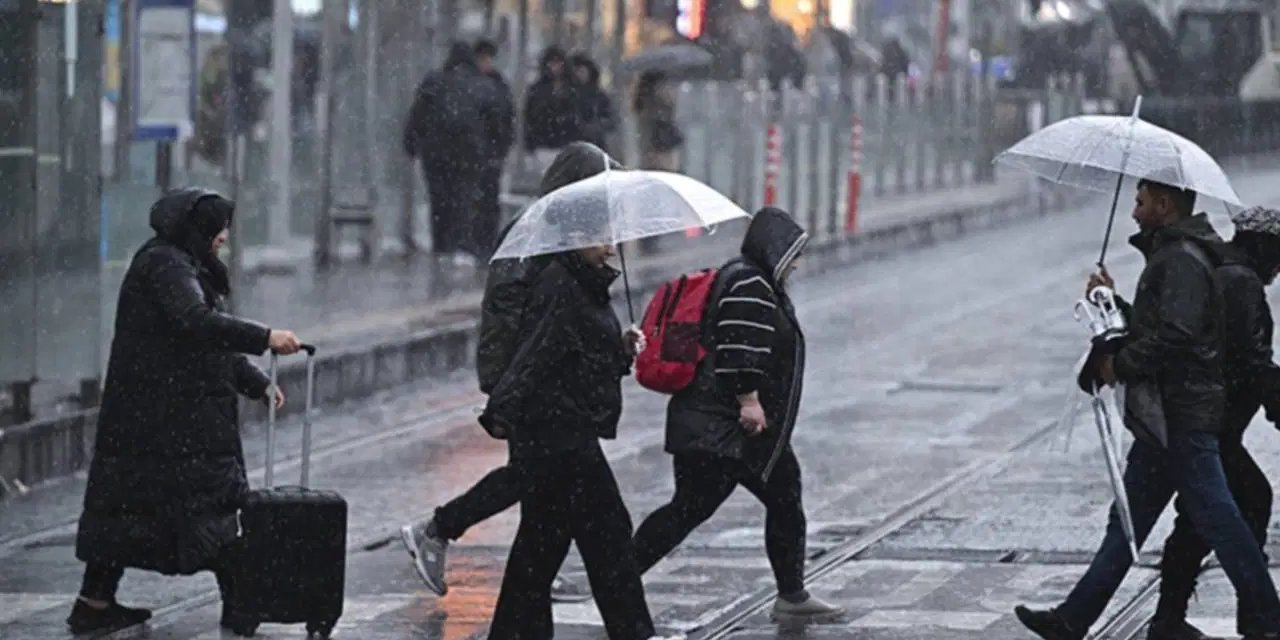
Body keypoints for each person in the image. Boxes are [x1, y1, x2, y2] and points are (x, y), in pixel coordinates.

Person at [1015, 180, 1280, 640]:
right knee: (1132, 523)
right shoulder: (1180, 255)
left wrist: (1120, 362)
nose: (1134, 213)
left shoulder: (1180, 258)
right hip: (1170, 417)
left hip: (1180, 416)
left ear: (1165, 205)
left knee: (1221, 519)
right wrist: (1111, 303)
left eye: (1141, 203)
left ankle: (1264, 618)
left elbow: (1178, 337)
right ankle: (1073, 619)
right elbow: (1163, 326)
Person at [70, 188, 304, 635]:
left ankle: (94, 604)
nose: (223, 239)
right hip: (168, 423)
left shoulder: (179, 263)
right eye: (218, 230)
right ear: (198, 229)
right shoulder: (166, 265)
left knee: (126, 514)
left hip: (155, 420)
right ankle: (243, 606)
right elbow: (196, 325)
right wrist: (264, 336)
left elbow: (201, 343)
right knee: (208, 514)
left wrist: (253, 381)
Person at [399, 142, 621, 603]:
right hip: (534, 387)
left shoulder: (560, 234)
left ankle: (528, 575)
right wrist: (505, 386)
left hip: (542, 385)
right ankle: (438, 529)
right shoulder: (539, 236)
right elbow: (515, 316)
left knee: (541, 488)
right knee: (538, 481)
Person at [630, 207, 845, 622]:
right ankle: (791, 597)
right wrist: (748, 399)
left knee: (709, 505)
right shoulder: (750, 283)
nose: (797, 263)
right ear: (775, 248)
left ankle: (792, 595)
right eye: (793, 252)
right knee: (729, 503)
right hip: (728, 426)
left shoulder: (746, 277)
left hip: (718, 424)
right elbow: (738, 347)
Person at [478, 191, 668, 640]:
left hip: (557, 431)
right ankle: (635, 632)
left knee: (541, 545)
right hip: (558, 433)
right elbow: (537, 355)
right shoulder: (562, 285)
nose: (609, 246)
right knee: (608, 534)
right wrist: (502, 408)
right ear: (572, 239)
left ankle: (507, 635)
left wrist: (619, 348)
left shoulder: (581, 283)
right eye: (599, 237)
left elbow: (577, 354)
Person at [1148, 206, 1280, 640]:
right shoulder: (1241, 282)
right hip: (1212, 422)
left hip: (1207, 419)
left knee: (1200, 515)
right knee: (1245, 501)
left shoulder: (1225, 272)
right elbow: (1250, 359)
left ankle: (1170, 620)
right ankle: (1259, 618)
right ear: (1261, 245)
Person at [403, 42, 495, 265]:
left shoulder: (434, 81)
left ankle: (441, 246)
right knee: (463, 199)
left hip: (435, 153)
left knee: (439, 200)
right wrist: (493, 150)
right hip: (469, 153)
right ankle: (461, 246)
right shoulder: (482, 85)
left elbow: (417, 115)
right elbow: (496, 120)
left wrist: (411, 144)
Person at [473, 39, 516, 260]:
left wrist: (501, 147)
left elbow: (507, 120)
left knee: (489, 199)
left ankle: (486, 243)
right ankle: (480, 243)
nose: (485, 62)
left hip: (490, 153)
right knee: (479, 199)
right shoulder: (489, 86)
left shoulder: (497, 85)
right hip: (478, 152)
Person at [523, 47, 581, 170]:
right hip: (544, 144)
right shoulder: (538, 90)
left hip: (567, 144)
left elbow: (578, 114)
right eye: (552, 63)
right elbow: (529, 118)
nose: (555, 67)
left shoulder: (573, 89)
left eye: (558, 63)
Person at [570, 53, 616, 153]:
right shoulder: (569, 95)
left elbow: (611, 120)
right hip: (573, 144)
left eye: (582, 71)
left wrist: (595, 126)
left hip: (596, 144)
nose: (580, 75)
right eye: (577, 71)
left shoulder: (598, 95)